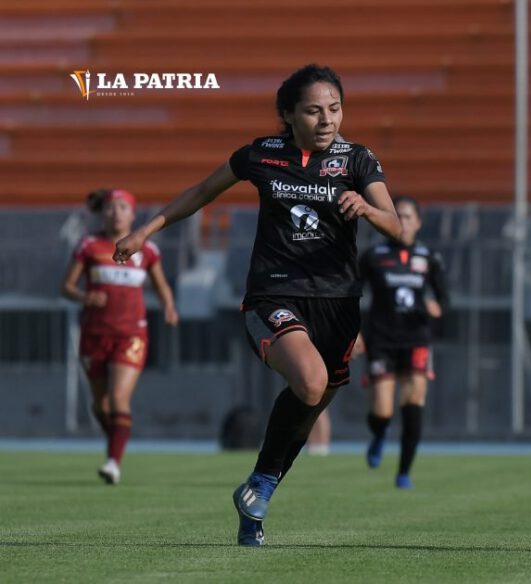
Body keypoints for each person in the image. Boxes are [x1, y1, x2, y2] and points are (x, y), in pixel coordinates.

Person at [113, 64, 401, 546]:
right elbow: (202, 193)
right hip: (274, 294)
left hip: (339, 303)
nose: (327, 119)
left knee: (309, 408)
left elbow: (398, 226)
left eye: (334, 108)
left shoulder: (358, 160)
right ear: (288, 115)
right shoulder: (261, 155)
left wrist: (369, 210)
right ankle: (262, 485)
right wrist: (145, 230)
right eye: (313, 110)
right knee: (310, 382)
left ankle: (257, 492)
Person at [61, 188, 179, 485]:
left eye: (122, 207)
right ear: (104, 212)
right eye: (111, 208)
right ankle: (115, 441)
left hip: (131, 334)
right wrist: (85, 297)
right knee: (101, 406)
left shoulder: (146, 250)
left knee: (118, 399)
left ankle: (114, 462)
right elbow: (67, 287)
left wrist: (168, 306)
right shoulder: (89, 246)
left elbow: (161, 283)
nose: (116, 213)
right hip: (95, 334)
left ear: (132, 213)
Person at [357, 195, 448, 489]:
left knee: (412, 404)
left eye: (410, 217)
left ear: (419, 222)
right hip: (381, 340)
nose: (405, 222)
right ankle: (379, 434)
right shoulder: (373, 256)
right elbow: (352, 295)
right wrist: (355, 333)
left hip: (416, 340)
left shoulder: (429, 258)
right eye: (400, 216)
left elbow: (444, 298)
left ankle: (404, 472)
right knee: (382, 411)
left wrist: (438, 307)